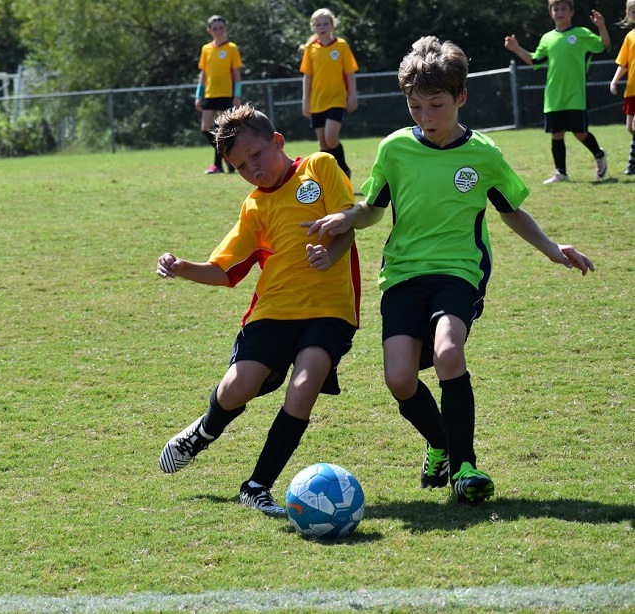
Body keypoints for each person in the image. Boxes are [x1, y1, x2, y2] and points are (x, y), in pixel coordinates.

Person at [303, 36, 595, 505]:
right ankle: (440, 441)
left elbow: (511, 210)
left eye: (436, 105)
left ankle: (464, 467)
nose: (426, 117)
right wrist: (345, 217)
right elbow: (373, 208)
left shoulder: (484, 155)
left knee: (447, 351)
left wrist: (550, 247)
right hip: (402, 274)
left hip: (459, 271)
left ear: (461, 97)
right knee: (399, 380)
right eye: (415, 106)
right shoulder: (395, 149)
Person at [156, 103, 360, 517]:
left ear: (277, 141)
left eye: (256, 155)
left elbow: (347, 222)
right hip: (273, 311)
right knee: (237, 387)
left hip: (329, 309)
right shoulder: (254, 207)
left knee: (305, 384)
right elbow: (224, 270)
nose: (253, 169)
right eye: (240, 166)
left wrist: (330, 252)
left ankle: (257, 485)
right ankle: (205, 431)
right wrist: (182, 267)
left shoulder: (319, 167)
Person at [504, 0, 611, 184]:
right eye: (556, 9)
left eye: (563, 8)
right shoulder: (547, 38)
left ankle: (599, 155)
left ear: (571, 12)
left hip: (575, 95)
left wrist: (601, 26)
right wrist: (516, 49)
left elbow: (604, 46)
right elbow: (535, 60)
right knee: (557, 134)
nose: (560, 12)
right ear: (550, 13)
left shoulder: (581, 33)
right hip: (553, 96)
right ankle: (561, 173)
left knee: (580, 133)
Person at [299, 8, 359, 178]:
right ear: (313, 27)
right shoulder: (311, 48)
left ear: (332, 25)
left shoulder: (341, 45)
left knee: (331, 138)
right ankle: (331, 177)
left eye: (325, 23)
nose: (322, 27)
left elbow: (350, 73)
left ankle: (344, 170)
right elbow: (307, 77)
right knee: (324, 145)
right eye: (318, 24)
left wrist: (353, 96)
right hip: (317, 101)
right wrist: (305, 101)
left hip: (337, 100)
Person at [195, 15, 242, 175]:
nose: (218, 31)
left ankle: (217, 165)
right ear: (209, 30)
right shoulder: (206, 49)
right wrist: (198, 95)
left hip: (225, 94)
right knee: (205, 129)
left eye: (221, 28)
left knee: (221, 130)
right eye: (215, 28)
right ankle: (226, 155)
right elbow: (203, 74)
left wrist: (237, 95)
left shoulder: (231, 48)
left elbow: (236, 74)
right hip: (209, 94)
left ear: (226, 28)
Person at [610, 0, 635, 175]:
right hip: (631, 90)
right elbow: (624, 63)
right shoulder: (630, 37)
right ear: (628, 14)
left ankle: (632, 164)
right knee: (630, 128)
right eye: (634, 12)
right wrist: (614, 81)